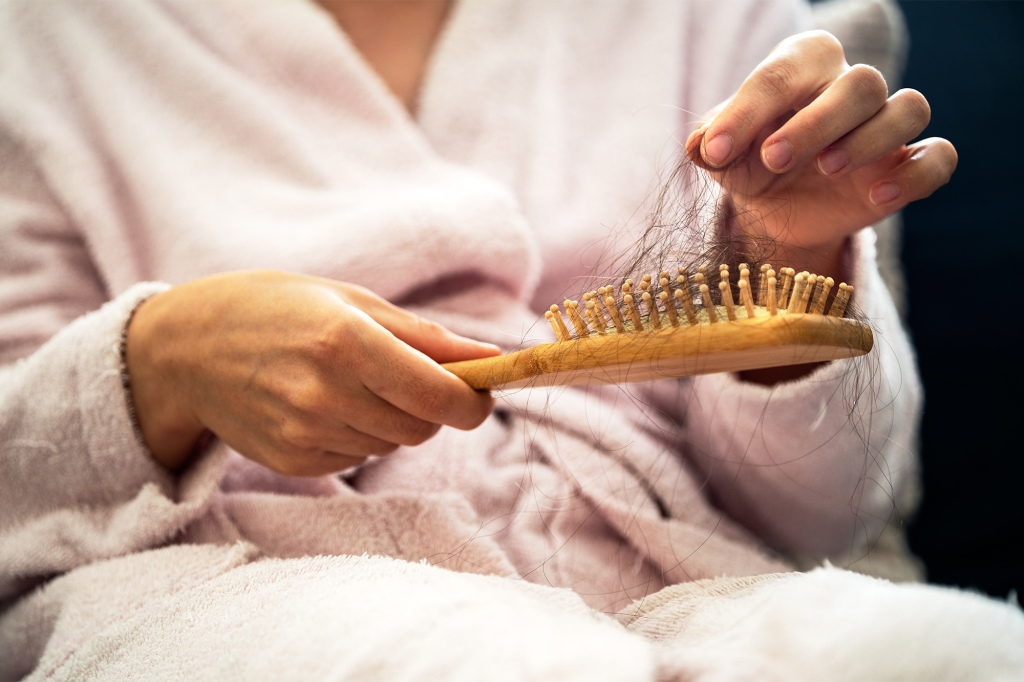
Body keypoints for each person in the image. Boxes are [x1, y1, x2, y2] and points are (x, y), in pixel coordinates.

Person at [1, 0, 1020, 679]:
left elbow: (829, 518)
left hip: (696, 584)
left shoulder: (722, 21)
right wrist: (160, 364)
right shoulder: (42, 45)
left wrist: (784, 260)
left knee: (953, 656)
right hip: (222, 590)